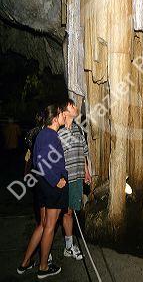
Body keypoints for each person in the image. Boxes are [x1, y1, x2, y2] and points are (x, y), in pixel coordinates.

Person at [17, 104, 68, 279]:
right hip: (50, 187)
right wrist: (57, 181)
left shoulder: (44, 134)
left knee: (43, 225)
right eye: (62, 114)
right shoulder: (49, 135)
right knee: (50, 227)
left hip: (42, 186)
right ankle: (43, 267)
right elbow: (39, 162)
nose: (64, 116)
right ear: (55, 118)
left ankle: (25, 263)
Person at [58, 98, 91, 260]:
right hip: (65, 178)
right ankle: (62, 246)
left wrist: (86, 172)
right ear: (65, 112)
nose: (76, 107)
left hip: (77, 176)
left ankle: (69, 245)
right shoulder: (59, 132)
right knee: (63, 212)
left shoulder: (78, 129)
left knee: (71, 211)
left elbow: (84, 151)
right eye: (72, 106)